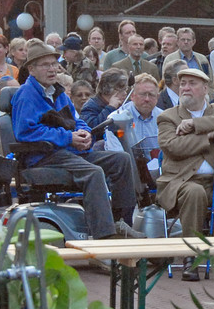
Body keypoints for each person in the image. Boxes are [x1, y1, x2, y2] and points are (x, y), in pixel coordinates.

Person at [11, 43, 142, 239]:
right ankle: (104, 236)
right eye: (45, 65)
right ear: (31, 69)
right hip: (43, 156)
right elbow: (25, 133)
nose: (52, 69)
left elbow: (76, 119)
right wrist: (68, 138)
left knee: (121, 160)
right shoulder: (25, 95)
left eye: (54, 64)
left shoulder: (58, 93)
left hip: (68, 152)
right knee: (94, 172)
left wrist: (84, 132)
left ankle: (119, 222)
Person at [156, 67, 214, 278]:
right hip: (181, 181)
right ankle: (192, 258)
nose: (185, 88)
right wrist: (210, 136)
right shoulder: (167, 117)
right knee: (195, 192)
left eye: (192, 83)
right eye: (183, 83)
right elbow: (174, 147)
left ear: (205, 88)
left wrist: (194, 124)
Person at [105, 73, 163, 193]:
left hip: (160, 175)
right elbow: (117, 155)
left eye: (151, 95)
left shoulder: (164, 117)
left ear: (157, 97)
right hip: (127, 175)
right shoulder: (116, 119)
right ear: (132, 96)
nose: (147, 99)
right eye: (142, 94)